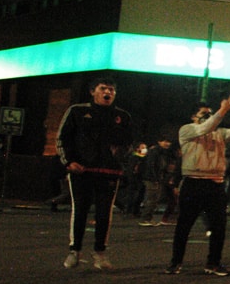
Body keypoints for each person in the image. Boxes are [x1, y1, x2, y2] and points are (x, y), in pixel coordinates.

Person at [165, 92, 230, 276]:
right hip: (193, 182)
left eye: (210, 113)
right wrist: (221, 111)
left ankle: (213, 263)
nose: (209, 117)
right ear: (193, 117)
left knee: (219, 226)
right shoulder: (187, 130)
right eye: (204, 114)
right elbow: (204, 128)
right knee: (184, 225)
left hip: (215, 184)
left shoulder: (218, 133)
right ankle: (176, 262)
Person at [56, 75, 134, 269]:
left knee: (104, 213)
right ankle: (74, 251)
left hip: (108, 172)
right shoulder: (77, 111)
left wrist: (121, 156)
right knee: (80, 210)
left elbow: (129, 143)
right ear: (93, 91)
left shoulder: (123, 116)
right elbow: (62, 139)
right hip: (82, 171)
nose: (107, 92)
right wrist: (69, 162)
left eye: (111, 90)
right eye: (103, 88)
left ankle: (100, 253)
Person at [138, 136, 179, 226]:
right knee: (152, 199)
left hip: (156, 178)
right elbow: (151, 165)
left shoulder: (163, 152)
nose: (167, 144)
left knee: (154, 199)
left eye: (168, 142)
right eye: (165, 141)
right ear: (159, 142)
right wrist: (155, 178)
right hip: (152, 178)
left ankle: (148, 218)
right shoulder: (155, 151)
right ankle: (145, 219)